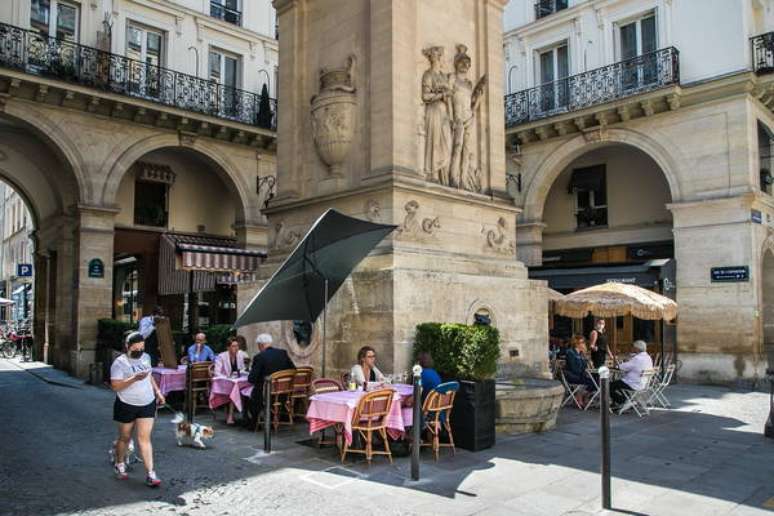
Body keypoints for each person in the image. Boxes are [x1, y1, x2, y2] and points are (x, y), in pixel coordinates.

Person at [110, 331, 165, 487]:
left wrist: (158, 391)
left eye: (142, 348)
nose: (140, 351)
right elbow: (115, 386)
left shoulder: (146, 358)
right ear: (128, 346)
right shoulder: (119, 363)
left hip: (147, 402)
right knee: (125, 437)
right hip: (126, 403)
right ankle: (120, 463)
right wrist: (134, 378)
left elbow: (149, 376)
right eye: (136, 348)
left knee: (144, 439)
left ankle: (150, 473)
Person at [246, 333, 295, 428]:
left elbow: (251, 379)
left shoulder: (259, 357)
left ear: (260, 345)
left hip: (266, 394)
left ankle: (253, 423)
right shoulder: (283, 353)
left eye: (258, 346)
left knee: (250, 395)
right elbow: (293, 370)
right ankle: (274, 417)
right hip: (283, 394)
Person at [214, 337, 250, 425]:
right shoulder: (221, 356)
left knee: (247, 388)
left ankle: (245, 414)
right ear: (228, 347)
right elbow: (216, 372)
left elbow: (246, 368)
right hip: (224, 382)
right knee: (233, 390)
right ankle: (230, 415)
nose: (236, 348)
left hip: (237, 380)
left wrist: (246, 367)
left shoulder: (242, 354)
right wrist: (227, 377)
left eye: (237, 346)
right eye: (233, 346)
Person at [610, 340, 654, 408]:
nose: (632, 348)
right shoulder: (648, 357)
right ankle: (624, 401)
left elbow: (624, 367)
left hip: (633, 383)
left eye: (633, 347)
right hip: (643, 383)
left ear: (637, 348)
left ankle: (623, 401)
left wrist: (616, 366)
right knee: (617, 384)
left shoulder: (637, 358)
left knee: (609, 385)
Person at [563, 335, 596, 405]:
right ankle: (580, 396)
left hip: (580, 375)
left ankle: (583, 396)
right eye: (583, 342)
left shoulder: (581, 354)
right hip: (572, 376)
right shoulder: (570, 352)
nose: (584, 344)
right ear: (577, 343)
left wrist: (586, 358)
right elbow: (574, 368)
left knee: (597, 381)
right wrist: (584, 370)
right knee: (592, 382)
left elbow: (585, 368)